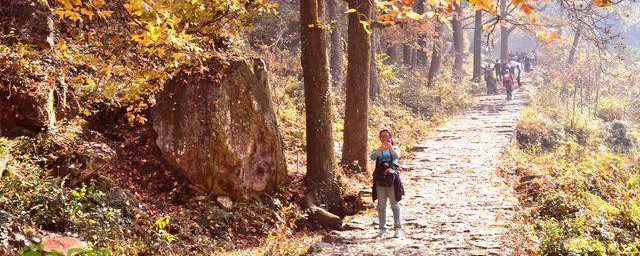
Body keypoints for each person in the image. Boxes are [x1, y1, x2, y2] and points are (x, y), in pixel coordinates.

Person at [370, 129, 404, 238]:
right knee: (381, 205)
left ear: (391, 137)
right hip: (380, 180)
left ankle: (397, 228)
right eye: (382, 136)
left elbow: (396, 156)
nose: (385, 138)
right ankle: (382, 229)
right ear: (380, 138)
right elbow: (372, 157)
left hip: (392, 180)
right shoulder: (377, 149)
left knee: (394, 205)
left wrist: (389, 147)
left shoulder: (395, 148)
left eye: (387, 136)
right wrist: (381, 149)